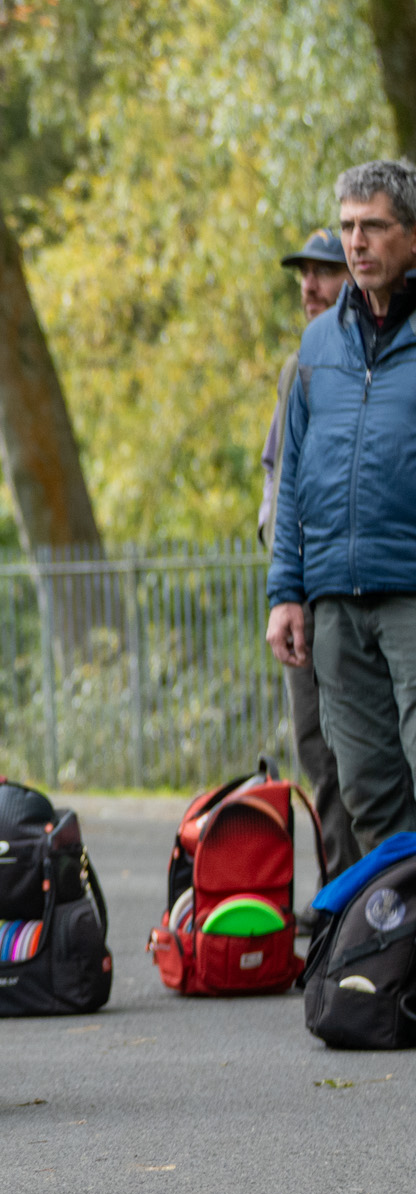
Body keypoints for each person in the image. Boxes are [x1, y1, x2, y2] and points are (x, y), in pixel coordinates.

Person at [268, 159, 416, 855]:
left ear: (411, 237)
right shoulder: (317, 346)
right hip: (334, 605)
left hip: (409, 596)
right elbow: (293, 475)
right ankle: (395, 951)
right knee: (365, 791)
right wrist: (286, 594)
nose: (357, 243)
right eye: (349, 226)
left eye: (374, 227)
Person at [259, 228, 360, 883]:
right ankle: (338, 895)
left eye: (324, 272)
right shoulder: (300, 366)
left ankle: (376, 899)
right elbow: (280, 486)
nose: (310, 286)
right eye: (304, 274)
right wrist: (283, 585)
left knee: (370, 757)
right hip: (303, 588)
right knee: (316, 748)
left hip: (362, 591)